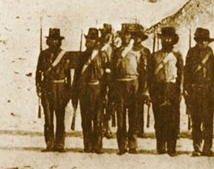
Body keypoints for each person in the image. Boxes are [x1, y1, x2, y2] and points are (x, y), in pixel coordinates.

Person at [111, 23, 150, 154]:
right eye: (124, 35)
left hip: (134, 84)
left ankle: (132, 145)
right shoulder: (116, 52)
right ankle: (122, 146)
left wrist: (144, 89)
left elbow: (144, 72)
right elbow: (112, 71)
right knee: (120, 117)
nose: (126, 37)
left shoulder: (138, 51)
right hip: (120, 84)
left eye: (128, 35)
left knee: (133, 116)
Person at [185, 27, 214, 156]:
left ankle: (207, 147)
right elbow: (187, 73)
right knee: (196, 121)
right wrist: (186, 89)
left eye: (205, 40)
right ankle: (197, 147)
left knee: (208, 122)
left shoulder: (212, 58)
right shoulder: (191, 55)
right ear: (197, 41)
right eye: (200, 40)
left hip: (208, 92)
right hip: (194, 91)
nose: (203, 43)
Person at [36, 28, 73, 152]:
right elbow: (38, 72)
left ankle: (60, 144)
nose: (54, 43)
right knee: (48, 117)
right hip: (47, 88)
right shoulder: (43, 54)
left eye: (56, 40)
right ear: (48, 41)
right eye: (52, 40)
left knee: (60, 117)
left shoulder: (64, 55)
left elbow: (68, 75)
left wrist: (68, 91)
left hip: (60, 88)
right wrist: (38, 86)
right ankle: (50, 143)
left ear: (59, 41)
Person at [75, 28, 109, 153]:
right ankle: (87, 145)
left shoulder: (103, 55)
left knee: (98, 118)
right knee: (86, 119)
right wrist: (75, 93)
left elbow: (107, 76)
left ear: (96, 42)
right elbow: (77, 75)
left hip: (98, 90)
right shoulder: (82, 55)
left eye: (91, 40)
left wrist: (106, 92)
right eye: (88, 39)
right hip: (84, 91)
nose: (88, 42)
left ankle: (98, 145)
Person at [153, 27, 183, 155]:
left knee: (172, 119)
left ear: (173, 40)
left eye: (169, 38)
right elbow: (151, 74)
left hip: (172, 87)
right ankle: (161, 146)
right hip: (158, 88)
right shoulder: (155, 55)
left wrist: (180, 90)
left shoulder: (177, 55)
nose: (167, 40)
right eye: (164, 38)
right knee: (159, 118)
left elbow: (181, 74)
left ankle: (172, 147)